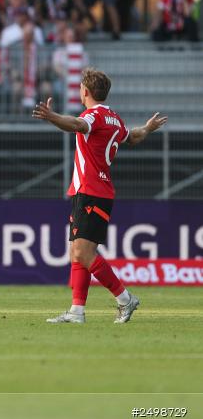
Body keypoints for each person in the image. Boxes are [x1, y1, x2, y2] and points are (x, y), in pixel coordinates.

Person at [32, 68, 167, 323]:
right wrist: (148, 128)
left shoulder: (93, 116)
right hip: (91, 191)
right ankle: (76, 311)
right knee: (76, 252)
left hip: (92, 191)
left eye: (81, 88)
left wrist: (51, 116)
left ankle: (126, 299)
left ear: (85, 91)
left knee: (83, 253)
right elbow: (134, 137)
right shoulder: (114, 119)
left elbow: (76, 124)